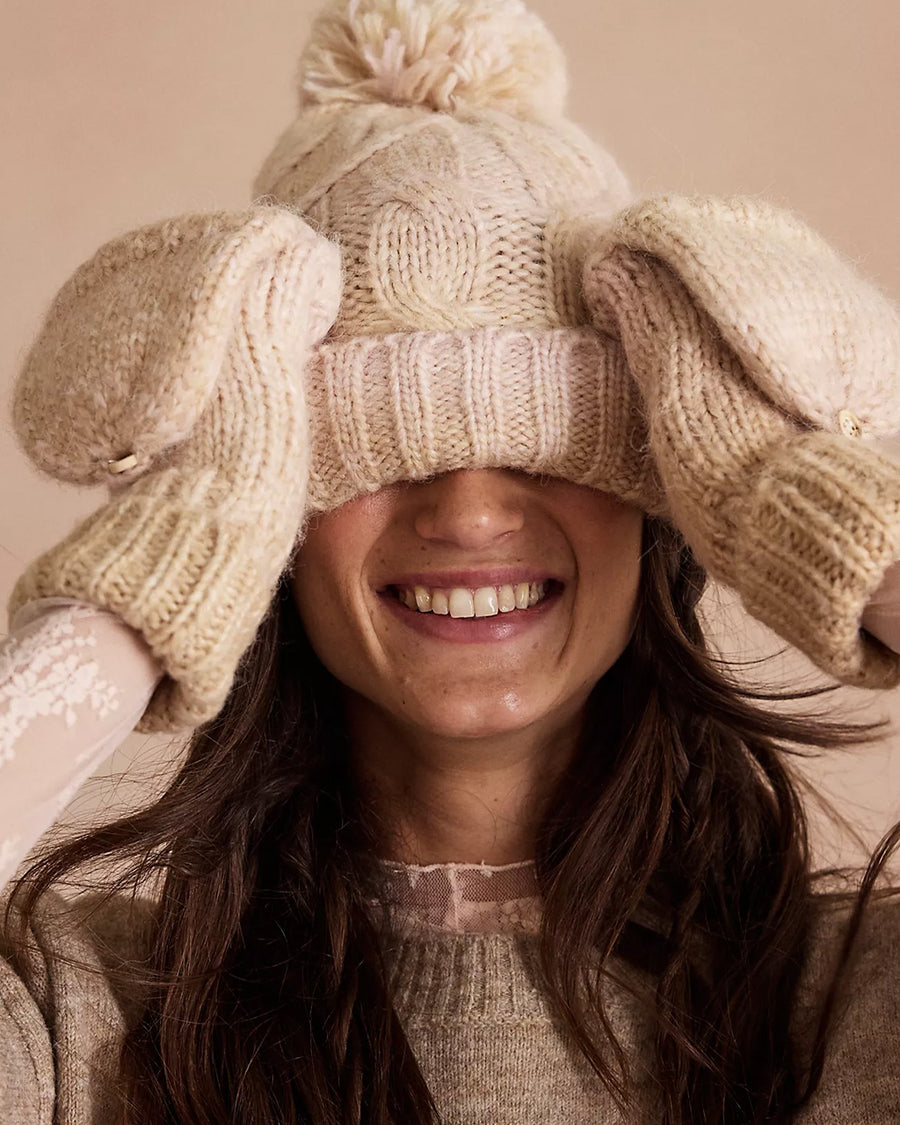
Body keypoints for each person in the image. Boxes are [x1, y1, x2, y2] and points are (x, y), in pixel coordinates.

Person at [2, 0, 900, 1122]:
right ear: (268, 518)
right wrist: (177, 538)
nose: (472, 515)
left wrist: (803, 496)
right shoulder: (73, 1016)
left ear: (668, 501)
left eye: (553, 444)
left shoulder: (852, 995)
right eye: (373, 453)